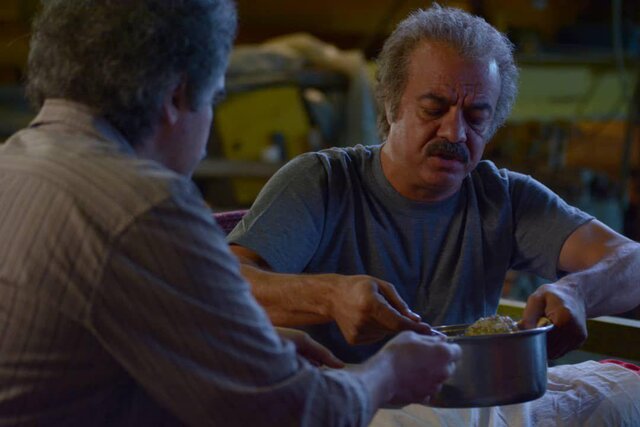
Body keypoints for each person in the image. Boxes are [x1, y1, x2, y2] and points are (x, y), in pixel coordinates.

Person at [0, 1, 461, 425]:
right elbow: (292, 413)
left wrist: (242, 346)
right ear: (177, 98)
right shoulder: (144, 206)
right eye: (214, 100)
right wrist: (387, 373)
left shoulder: (12, 163)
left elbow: (88, 343)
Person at [228, 4, 640, 363]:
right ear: (392, 104)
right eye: (433, 108)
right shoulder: (321, 182)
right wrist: (329, 297)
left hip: (460, 403)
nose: (455, 133)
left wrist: (580, 292)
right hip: (344, 400)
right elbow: (226, 283)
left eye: (476, 117)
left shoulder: (503, 198)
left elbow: (632, 261)